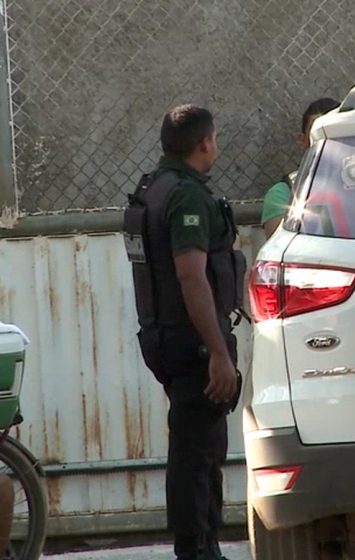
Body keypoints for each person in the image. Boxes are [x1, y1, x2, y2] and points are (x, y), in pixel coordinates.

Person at [123, 105, 245, 560]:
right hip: (192, 343)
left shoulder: (152, 188)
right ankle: (197, 548)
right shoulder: (187, 195)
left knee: (198, 442)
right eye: (214, 138)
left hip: (162, 336)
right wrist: (217, 351)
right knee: (199, 451)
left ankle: (201, 544)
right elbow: (191, 275)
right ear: (204, 143)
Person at [261, 97, 340, 238]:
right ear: (302, 141)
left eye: (334, 135)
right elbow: (280, 250)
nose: (326, 144)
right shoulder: (283, 194)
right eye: (317, 137)